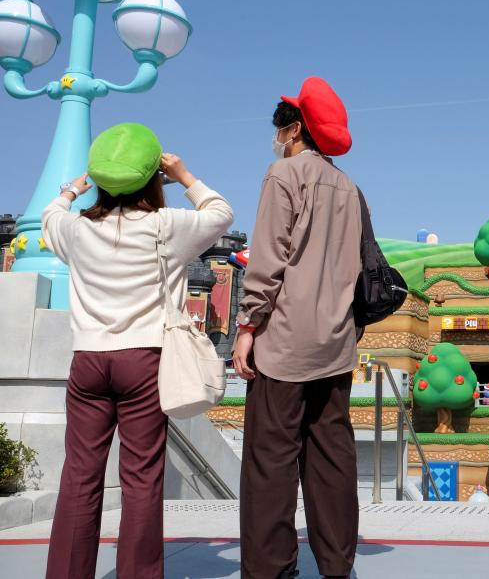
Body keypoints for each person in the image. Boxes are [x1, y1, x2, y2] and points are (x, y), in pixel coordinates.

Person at [42, 123, 234, 579]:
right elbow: (220, 212)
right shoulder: (165, 226)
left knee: (80, 477)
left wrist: (71, 191)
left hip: (88, 360)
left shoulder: (74, 229)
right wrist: (185, 176)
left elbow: (50, 217)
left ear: (101, 179)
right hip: (144, 360)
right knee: (142, 478)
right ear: (152, 178)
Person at [233, 77, 361, 579]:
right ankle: (336, 565)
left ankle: (271, 570)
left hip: (283, 342)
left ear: (295, 128)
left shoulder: (283, 175)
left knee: (270, 461)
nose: (277, 137)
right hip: (335, 344)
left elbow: (267, 260)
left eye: (281, 128)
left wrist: (248, 324)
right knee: (332, 458)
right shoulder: (350, 188)